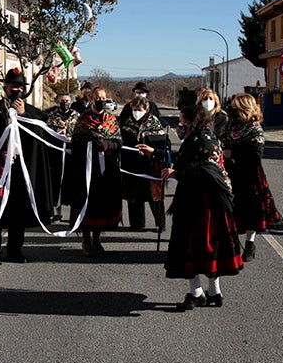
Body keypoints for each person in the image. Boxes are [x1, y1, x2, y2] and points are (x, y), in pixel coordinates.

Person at [161, 103, 242, 310]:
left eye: (182, 120)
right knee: (208, 245)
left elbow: (206, 169)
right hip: (203, 201)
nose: (180, 124)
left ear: (191, 120)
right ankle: (213, 292)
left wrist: (177, 173)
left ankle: (198, 292)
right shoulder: (203, 136)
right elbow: (187, 161)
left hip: (201, 203)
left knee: (194, 245)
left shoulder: (202, 139)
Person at [0, 68, 52, 264]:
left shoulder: (31, 112)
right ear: (5, 87)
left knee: (17, 212)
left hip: (20, 173)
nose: (16, 89)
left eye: (20, 86)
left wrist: (23, 115)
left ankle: (15, 251)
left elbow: (38, 138)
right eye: (13, 85)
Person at [221, 93, 281, 261]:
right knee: (230, 209)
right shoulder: (230, 125)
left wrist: (233, 152)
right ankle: (232, 245)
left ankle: (249, 243)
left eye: (234, 107)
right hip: (229, 172)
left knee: (251, 212)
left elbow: (256, 154)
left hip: (250, 174)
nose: (231, 110)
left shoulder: (254, 127)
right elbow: (222, 141)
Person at [69, 87, 123, 255]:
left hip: (107, 169)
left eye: (104, 97)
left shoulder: (111, 119)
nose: (101, 100)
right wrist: (90, 144)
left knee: (103, 204)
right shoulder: (83, 120)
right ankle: (86, 240)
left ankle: (97, 238)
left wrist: (108, 145)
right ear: (91, 100)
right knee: (88, 203)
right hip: (88, 168)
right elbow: (76, 143)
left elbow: (119, 141)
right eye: (98, 97)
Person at [120, 95, 170, 232]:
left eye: (139, 109)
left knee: (155, 196)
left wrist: (152, 150)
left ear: (146, 110)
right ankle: (137, 223)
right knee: (134, 196)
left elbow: (165, 145)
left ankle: (160, 223)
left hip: (151, 165)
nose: (137, 112)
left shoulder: (154, 123)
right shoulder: (127, 124)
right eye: (134, 109)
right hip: (132, 165)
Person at [46, 93, 79, 221]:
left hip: (71, 153)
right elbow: (47, 131)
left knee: (71, 182)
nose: (65, 102)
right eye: (62, 100)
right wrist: (58, 133)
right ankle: (57, 212)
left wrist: (71, 136)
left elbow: (81, 131)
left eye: (67, 100)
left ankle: (73, 213)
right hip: (57, 153)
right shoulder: (52, 116)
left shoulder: (76, 116)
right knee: (56, 182)